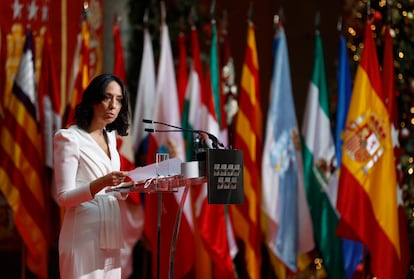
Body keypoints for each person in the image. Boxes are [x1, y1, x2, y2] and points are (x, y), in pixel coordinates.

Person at [53, 73, 142, 278]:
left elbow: (113, 190)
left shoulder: (110, 137)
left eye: (119, 100)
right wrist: (102, 182)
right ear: (93, 100)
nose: (113, 105)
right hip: (83, 235)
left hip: (111, 230)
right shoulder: (68, 137)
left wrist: (130, 186)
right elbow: (64, 197)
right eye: (107, 97)